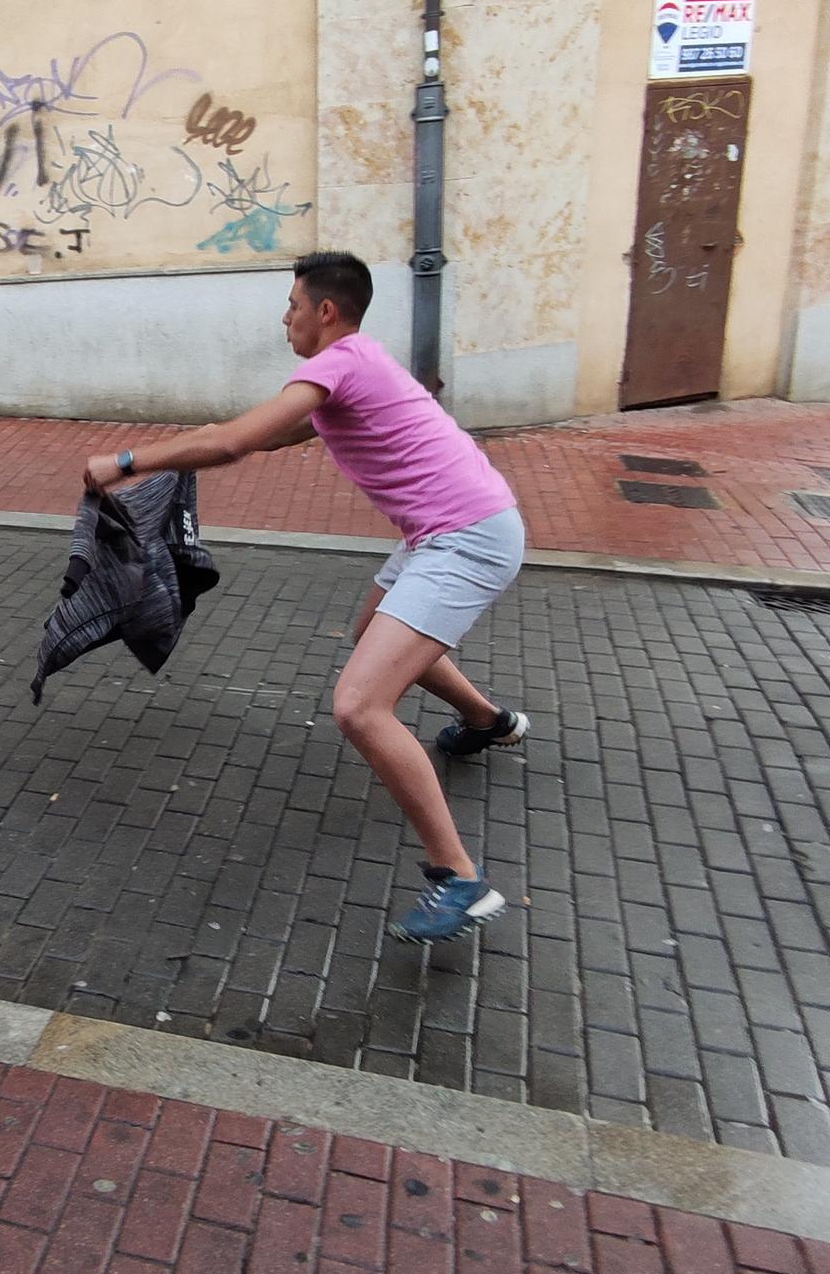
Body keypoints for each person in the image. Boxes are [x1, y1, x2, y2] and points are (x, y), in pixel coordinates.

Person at [83, 251, 526, 945]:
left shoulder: (341, 362)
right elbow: (250, 438)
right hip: (451, 527)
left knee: (359, 705)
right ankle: (488, 720)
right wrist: (178, 457)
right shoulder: (352, 369)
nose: (284, 317)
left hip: (465, 538)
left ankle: (460, 878)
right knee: (374, 633)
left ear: (326, 310)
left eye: (292, 305)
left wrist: (126, 462)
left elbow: (231, 442)